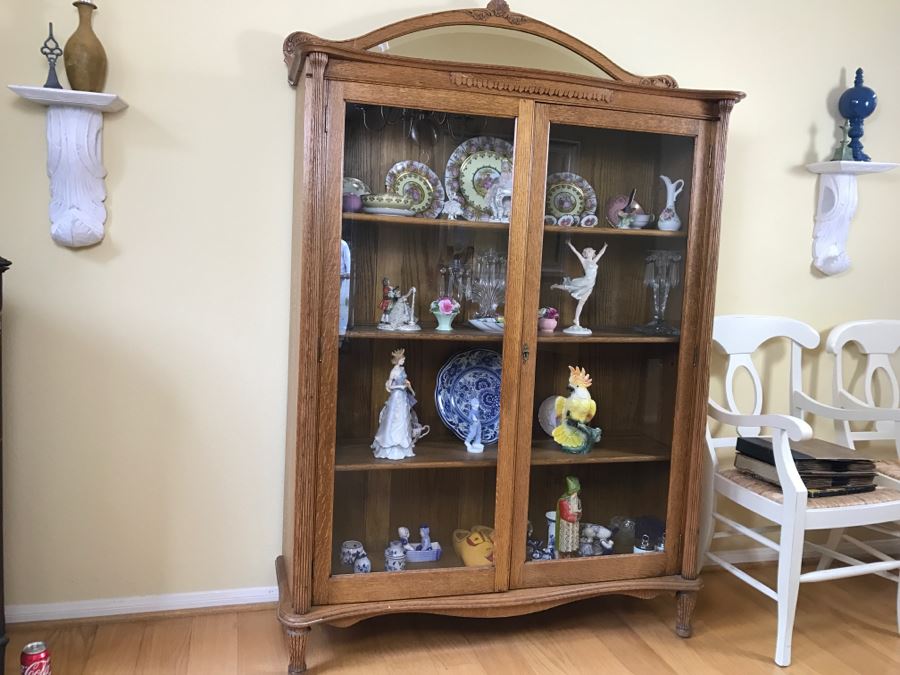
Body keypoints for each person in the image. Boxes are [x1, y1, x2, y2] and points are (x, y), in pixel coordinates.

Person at [371, 349, 429, 460]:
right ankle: (389, 442)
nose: (403, 360)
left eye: (404, 359)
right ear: (398, 360)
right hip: (397, 396)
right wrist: (399, 387)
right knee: (394, 417)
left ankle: (403, 442)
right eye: (402, 359)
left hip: (403, 396)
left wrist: (410, 389)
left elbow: (405, 381)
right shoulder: (393, 372)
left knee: (403, 417)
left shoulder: (402, 369)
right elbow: (389, 386)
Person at [552, 240, 608, 334]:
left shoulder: (594, 261)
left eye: (590, 251)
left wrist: (605, 246)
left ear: (593, 253)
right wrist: (570, 244)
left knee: (581, 302)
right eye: (587, 252)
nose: (589, 252)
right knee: (569, 287)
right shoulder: (584, 261)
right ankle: (556, 286)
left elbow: (601, 253)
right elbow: (576, 252)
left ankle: (576, 320)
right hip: (584, 282)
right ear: (585, 254)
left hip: (590, 285)